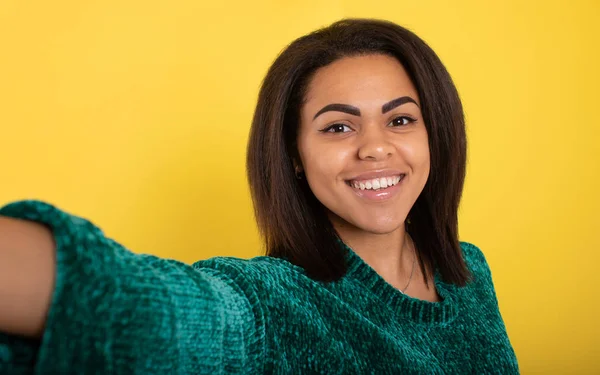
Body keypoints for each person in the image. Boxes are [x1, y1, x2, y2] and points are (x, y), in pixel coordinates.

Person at [0, 18, 519, 374]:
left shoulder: (469, 274)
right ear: (293, 154)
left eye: (401, 120)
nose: (375, 148)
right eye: (338, 127)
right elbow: (137, 302)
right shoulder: (272, 303)